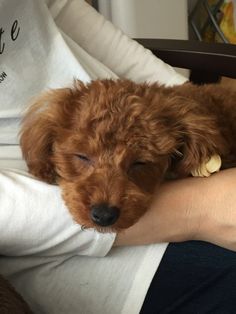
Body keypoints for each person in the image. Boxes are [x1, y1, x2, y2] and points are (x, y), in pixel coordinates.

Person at [0, 0, 236, 313]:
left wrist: (179, 103)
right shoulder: (50, 128)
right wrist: (198, 209)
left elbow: (59, 8)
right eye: (82, 159)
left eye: (136, 164)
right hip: (43, 241)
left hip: (151, 132)